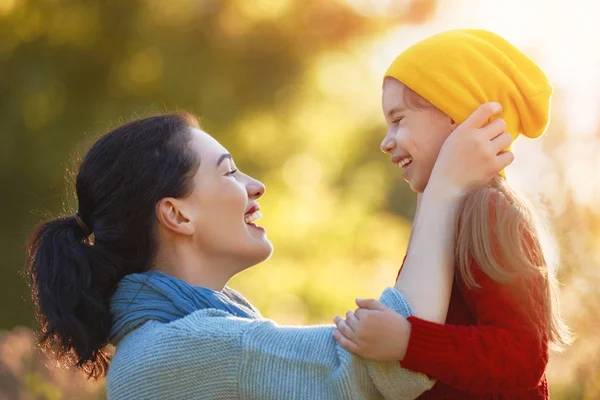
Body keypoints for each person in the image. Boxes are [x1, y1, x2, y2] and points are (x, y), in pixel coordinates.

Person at [27, 103, 511, 399]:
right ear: (177, 215)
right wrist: (443, 185)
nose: (255, 186)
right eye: (230, 171)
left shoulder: (177, 343)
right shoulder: (185, 349)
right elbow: (385, 369)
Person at [333, 29, 571, 400]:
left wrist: (408, 341)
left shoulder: (490, 212)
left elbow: (523, 356)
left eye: (398, 120)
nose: (386, 141)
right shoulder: (444, 214)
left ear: (456, 117)